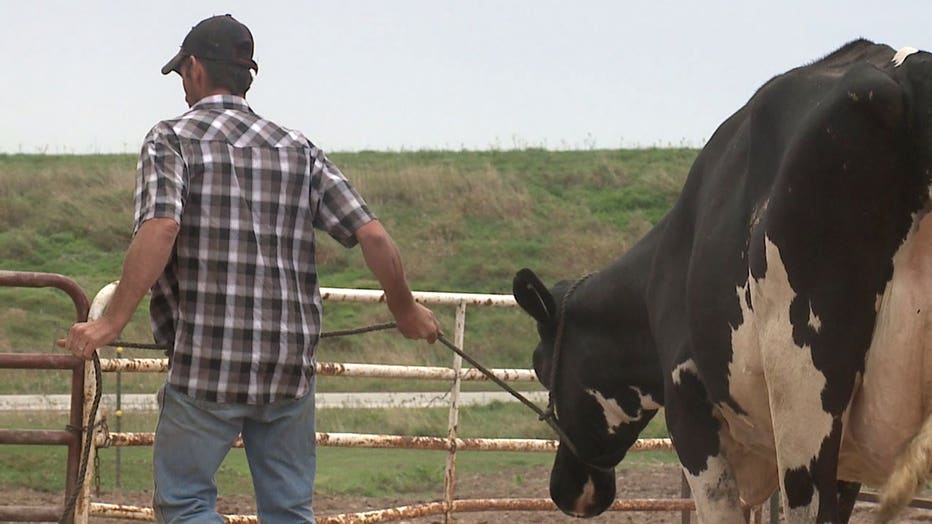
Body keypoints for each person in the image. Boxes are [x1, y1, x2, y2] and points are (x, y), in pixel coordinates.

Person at [56, 14, 441, 523]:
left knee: (186, 501)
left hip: (205, 364)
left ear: (193, 69)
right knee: (287, 509)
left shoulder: (171, 138)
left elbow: (161, 228)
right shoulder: (296, 147)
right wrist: (406, 309)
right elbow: (370, 233)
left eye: (181, 75)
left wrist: (111, 321)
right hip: (287, 367)